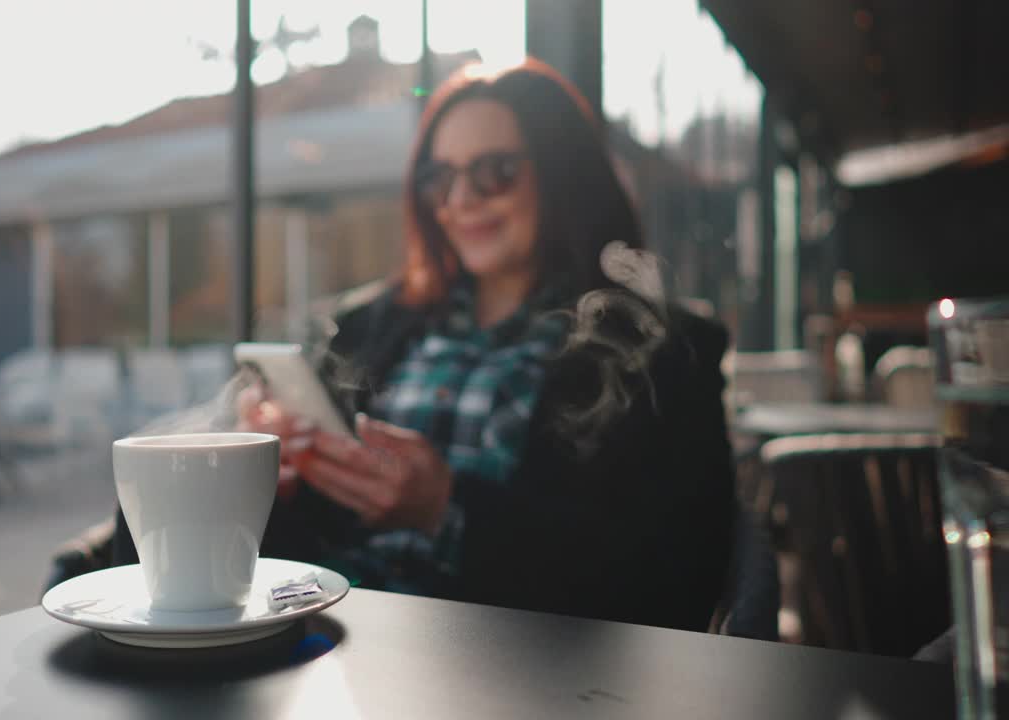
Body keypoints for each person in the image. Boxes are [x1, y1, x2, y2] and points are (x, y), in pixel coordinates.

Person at [104, 59, 737, 632]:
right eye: (441, 179)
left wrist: (446, 510)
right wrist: (271, 480)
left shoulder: (658, 354)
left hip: (499, 672)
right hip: (326, 640)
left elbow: (669, 586)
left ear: (563, 174)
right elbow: (287, 552)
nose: (460, 201)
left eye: (496, 173)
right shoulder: (367, 327)